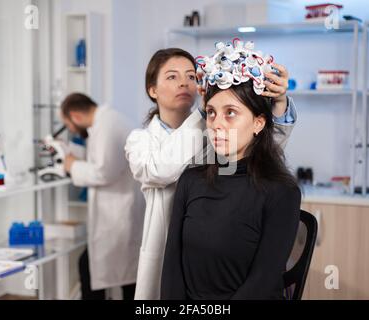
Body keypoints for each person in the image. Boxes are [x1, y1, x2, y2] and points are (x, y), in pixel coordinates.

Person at [125, 42, 297, 300]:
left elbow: (262, 144)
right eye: (172, 76)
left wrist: (278, 100)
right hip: (176, 262)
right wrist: (207, 112)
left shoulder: (217, 138)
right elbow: (159, 168)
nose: (185, 83)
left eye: (191, 76)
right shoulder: (141, 141)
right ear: (152, 90)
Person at [61, 93, 145, 300]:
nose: (71, 130)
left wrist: (72, 165)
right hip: (119, 212)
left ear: (75, 116)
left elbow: (104, 172)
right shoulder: (105, 123)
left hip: (120, 215)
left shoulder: (107, 125)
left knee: (120, 276)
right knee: (125, 276)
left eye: (68, 125)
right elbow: (105, 161)